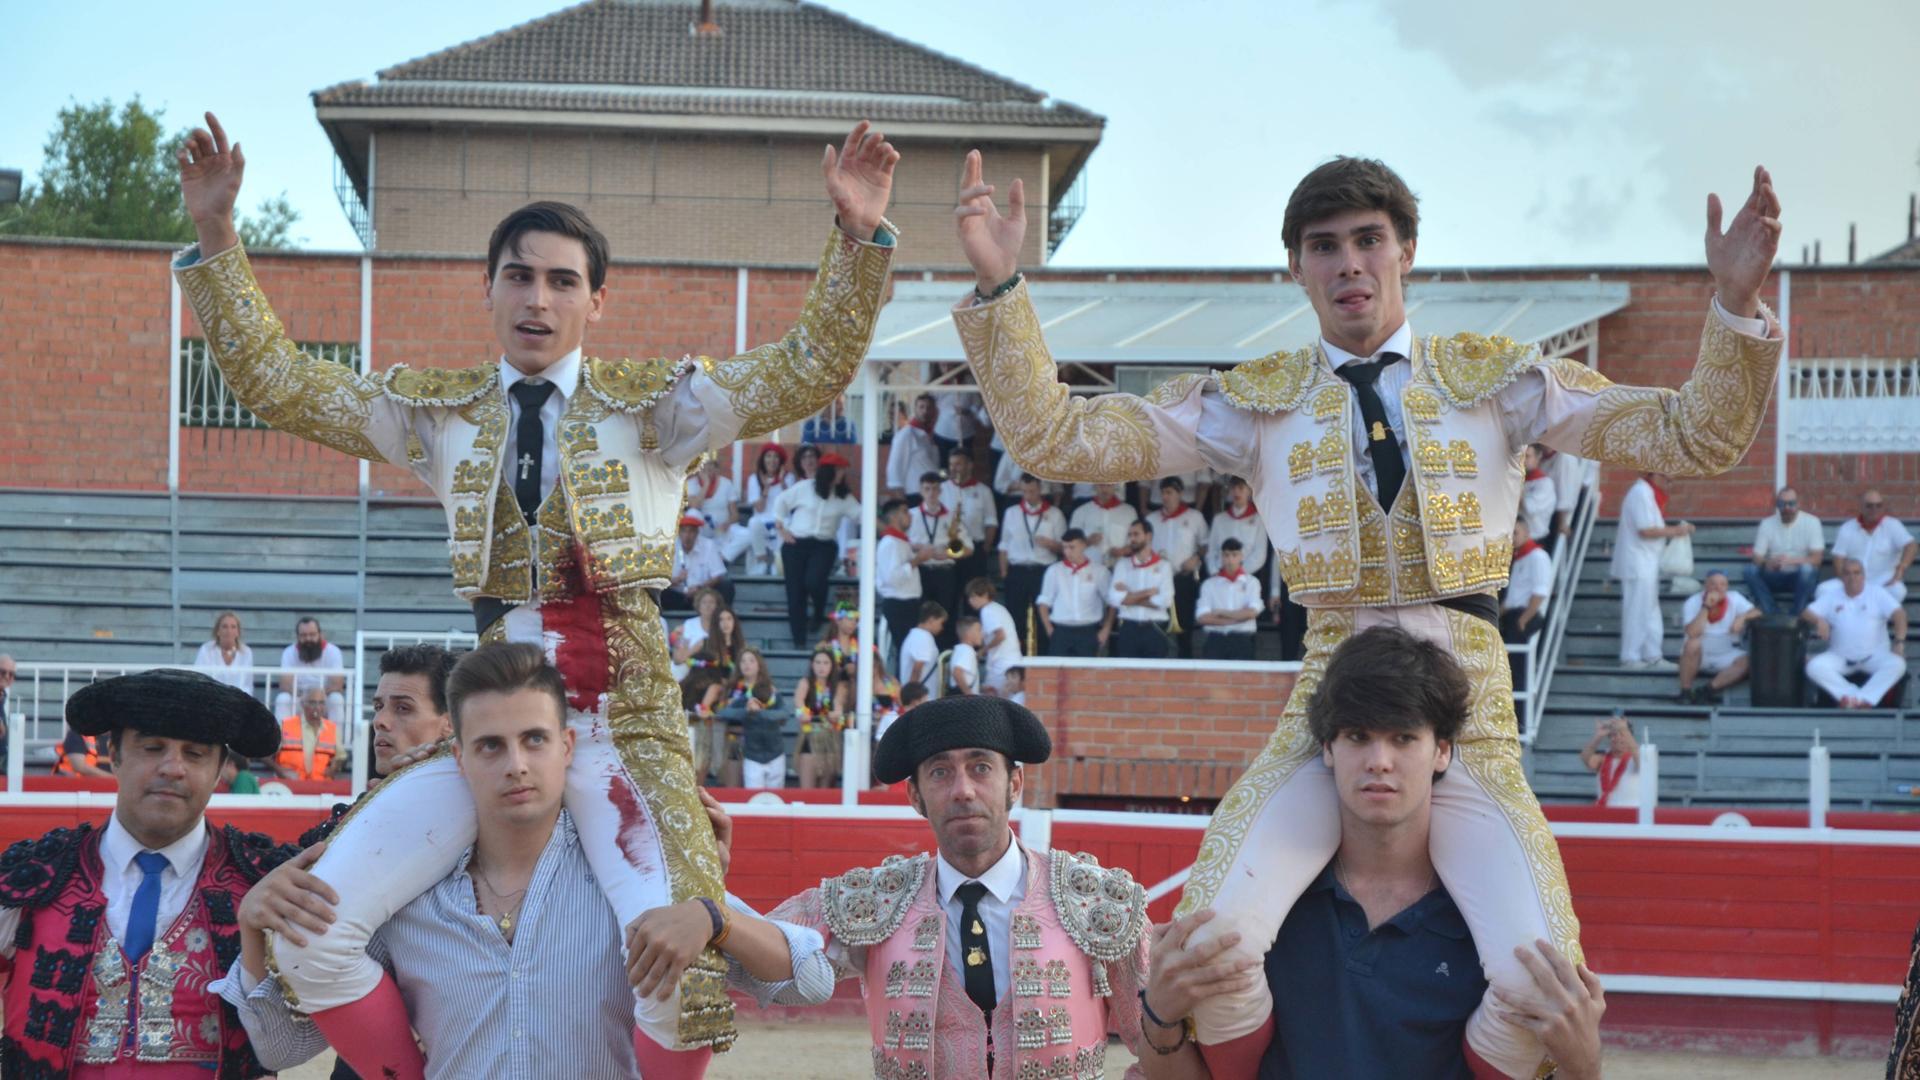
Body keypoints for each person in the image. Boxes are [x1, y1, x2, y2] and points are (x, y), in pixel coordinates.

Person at [951, 147, 1781, 1073]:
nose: (1348, 263)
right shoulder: (1257, 401)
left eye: (1368, 240)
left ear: (1406, 251)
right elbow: (1061, 438)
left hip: (1469, 720)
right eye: (1324, 246)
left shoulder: (1497, 380)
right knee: (1206, 953)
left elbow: (1694, 435)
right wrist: (1000, 291)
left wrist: (1736, 305)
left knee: (1540, 993)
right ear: (1297, 266)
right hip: (1330, 711)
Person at [175, 110, 899, 1068]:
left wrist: (857, 237)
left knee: (679, 968)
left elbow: (809, 368)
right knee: (311, 930)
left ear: (597, 301)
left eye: (563, 281)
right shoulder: (438, 415)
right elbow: (277, 382)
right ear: (487, 288)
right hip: (494, 728)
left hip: (626, 730)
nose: (538, 298)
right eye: (519, 276)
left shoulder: (662, 407)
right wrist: (218, 235)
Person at [220, 644, 829, 1079]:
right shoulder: (408, 899)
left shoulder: (624, 878)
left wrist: (715, 915)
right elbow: (280, 1048)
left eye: (534, 739)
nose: (516, 765)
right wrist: (254, 929)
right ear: (459, 759)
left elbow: (810, 977)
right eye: (491, 746)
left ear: (566, 746)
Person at [1162, 628, 1606, 1079]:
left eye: (1404, 738)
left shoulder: (1483, 917)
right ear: (1327, 749)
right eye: (1358, 736)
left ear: (1442, 752)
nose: (1379, 760)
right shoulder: (1274, 902)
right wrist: (1157, 1018)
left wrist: (1584, 1065)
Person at [766, 696, 1205, 1079]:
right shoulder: (877, 901)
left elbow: (1163, 1046)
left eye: (981, 768)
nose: (963, 790)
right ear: (915, 797)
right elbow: (767, 961)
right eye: (940, 772)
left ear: (1014, 783)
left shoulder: (1095, 900)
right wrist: (727, 916)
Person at [0, 669, 291, 1078]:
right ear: (114, 755)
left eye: (195, 754)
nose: (173, 768)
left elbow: (288, 1048)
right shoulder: (29, 879)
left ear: (219, 769)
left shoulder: (265, 883)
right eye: (153, 748)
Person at [777, 453, 862, 649]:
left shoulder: (844, 497)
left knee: (814, 581)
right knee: (795, 594)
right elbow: (781, 501)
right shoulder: (805, 487)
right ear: (828, 471)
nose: (841, 474)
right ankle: (799, 641)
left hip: (823, 545)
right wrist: (781, 527)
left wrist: (888, 528)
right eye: (838, 470)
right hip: (795, 544)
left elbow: (861, 515)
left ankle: (818, 611)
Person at [1803, 558, 1909, 709]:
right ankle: (1852, 697)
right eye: (1847, 573)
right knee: (1814, 667)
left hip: (1874, 656)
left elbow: (1899, 614)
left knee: (1897, 664)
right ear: (1842, 577)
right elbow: (1806, 613)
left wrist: (1899, 642)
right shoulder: (1832, 595)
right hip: (1840, 656)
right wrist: (1819, 620)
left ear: (1863, 576)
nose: (1852, 577)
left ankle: (1865, 698)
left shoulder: (1876, 593)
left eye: (1856, 573)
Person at [1613, 471, 1693, 670]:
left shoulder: (1647, 493)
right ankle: (1630, 656)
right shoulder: (1640, 492)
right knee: (1637, 610)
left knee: (1650, 611)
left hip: (1647, 562)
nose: (1670, 483)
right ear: (1657, 474)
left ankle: (1652, 655)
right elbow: (1646, 530)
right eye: (1668, 478)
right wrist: (1676, 531)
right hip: (1638, 563)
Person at [999, 473, 1066, 655]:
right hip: (1017, 570)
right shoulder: (1012, 513)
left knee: (1044, 618)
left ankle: (1043, 660)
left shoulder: (1055, 514)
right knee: (1015, 618)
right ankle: (1016, 660)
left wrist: (1050, 544)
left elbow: (1064, 548)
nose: (1029, 495)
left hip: (1044, 571)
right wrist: (1004, 572)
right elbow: (1004, 544)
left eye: (1033, 491)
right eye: (1025, 491)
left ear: (1040, 489)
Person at [1147, 477, 1210, 659]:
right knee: (1158, 626)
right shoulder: (1151, 519)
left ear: (1180, 494)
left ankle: (1185, 662)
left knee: (1184, 628)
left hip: (1183, 578)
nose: (1165, 497)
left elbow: (1205, 544)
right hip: (1157, 581)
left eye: (1170, 492)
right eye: (1163, 493)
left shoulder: (1195, 517)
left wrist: (1196, 558)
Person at [1678, 570, 1759, 704]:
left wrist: (1742, 617)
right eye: (1713, 584)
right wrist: (1706, 606)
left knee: (1749, 661)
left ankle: (1706, 690)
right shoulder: (1693, 601)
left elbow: (1757, 612)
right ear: (1706, 585)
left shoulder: (1734, 597)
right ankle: (1685, 692)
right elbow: (1692, 633)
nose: (1718, 588)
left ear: (1727, 587)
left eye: (1722, 584)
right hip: (1699, 655)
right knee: (1692, 644)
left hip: (1724, 651)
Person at [913, 471, 972, 648]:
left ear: (940, 491)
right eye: (927, 489)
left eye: (935, 489)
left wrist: (948, 554)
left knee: (945, 616)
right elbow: (902, 544)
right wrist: (920, 548)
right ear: (920, 491)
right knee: (921, 615)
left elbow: (968, 548)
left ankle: (943, 655)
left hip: (945, 573)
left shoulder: (951, 517)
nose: (931, 493)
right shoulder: (911, 515)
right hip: (920, 571)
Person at [1743, 486, 1823, 615]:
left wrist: (1791, 561)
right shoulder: (1767, 524)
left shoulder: (1812, 522)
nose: (1787, 508)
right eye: (1782, 504)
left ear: (1798, 503)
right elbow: (1757, 557)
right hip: (1774, 576)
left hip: (1799, 578)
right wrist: (1768, 563)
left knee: (1807, 570)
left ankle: (1797, 615)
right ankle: (1772, 612)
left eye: (1791, 503)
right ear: (1777, 505)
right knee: (1749, 570)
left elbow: (1817, 559)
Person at [1037, 528, 1114, 658]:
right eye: (1065, 547)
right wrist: (1049, 629)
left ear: (1083, 545)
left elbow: (1112, 601)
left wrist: (1106, 629)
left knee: (1086, 670)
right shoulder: (1054, 571)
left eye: (1072, 547)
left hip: (1088, 630)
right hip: (1061, 630)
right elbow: (1044, 603)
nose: (1067, 552)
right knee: (1059, 670)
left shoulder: (1099, 571)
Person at [1830, 490, 1916, 602]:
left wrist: (1901, 569)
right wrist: (1845, 580)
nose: (1874, 509)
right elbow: (1838, 558)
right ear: (1861, 507)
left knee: (1898, 591)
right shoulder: (1847, 528)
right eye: (1869, 506)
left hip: (1883, 581)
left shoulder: (1893, 525)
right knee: (1824, 590)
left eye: (1878, 506)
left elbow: (1911, 545)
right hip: (1852, 580)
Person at [876, 496, 935, 660]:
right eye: (905, 512)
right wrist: (917, 560)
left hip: (910, 603)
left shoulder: (901, 541)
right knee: (906, 653)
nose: (910, 516)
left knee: (910, 652)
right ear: (894, 516)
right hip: (899, 604)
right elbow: (892, 578)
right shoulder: (890, 543)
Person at [720, 647, 786, 790]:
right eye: (743, 661)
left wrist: (760, 713)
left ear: (759, 664)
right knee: (735, 786)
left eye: (751, 661)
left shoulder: (770, 690)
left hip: (770, 748)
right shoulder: (733, 689)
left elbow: (783, 714)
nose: (747, 664)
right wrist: (746, 710)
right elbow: (722, 712)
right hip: (737, 743)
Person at [1110, 519, 1176, 660]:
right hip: (1128, 628)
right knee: (1127, 672)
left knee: (1155, 672)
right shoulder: (1122, 564)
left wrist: (1130, 596)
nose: (1132, 539)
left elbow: (1165, 601)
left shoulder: (1164, 566)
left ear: (1149, 536)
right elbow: (1114, 599)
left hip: (1155, 628)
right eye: (1130, 535)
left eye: (1136, 534)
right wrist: (1146, 593)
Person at [942, 446, 999, 588]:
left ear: (969, 465)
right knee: (950, 592)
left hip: (975, 548)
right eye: (951, 464)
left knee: (974, 592)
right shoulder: (942, 489)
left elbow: (991, 522)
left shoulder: (983, 491)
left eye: (958, 464)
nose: (953, 468)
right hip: (948, 547)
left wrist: (985, 548)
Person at [1197, 538, 1262, 660]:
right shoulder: (1209, 584)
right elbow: (1202, 617)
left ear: (1241, 556)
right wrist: (1238, 619)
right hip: (1215, 640)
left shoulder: (1252, 582)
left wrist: (1220, 612)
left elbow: (1252, 612)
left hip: (1242, 640)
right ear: (1221, 557)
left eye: (1234, 555)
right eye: (1226, 555)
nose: (1230, 560)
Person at [275, 615, 346, 724]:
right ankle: (282, 735)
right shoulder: (289, 652)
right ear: (297, 636)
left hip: (323, 698)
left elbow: (337, 685)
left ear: (320, 634)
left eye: (312, 634)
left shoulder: (333, 651)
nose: (308, 638)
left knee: (336, 699)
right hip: (299, 698)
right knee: (283, 699)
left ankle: (337, 735)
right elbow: (285, 684)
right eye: (303, 635)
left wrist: (316, 696)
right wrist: (304, 696)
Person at [794, 649, 848, 789]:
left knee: (826, 789)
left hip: (829, 739)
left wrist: (837, 715)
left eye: (825, 663)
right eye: (818, 662)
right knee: (807, 789)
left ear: (832, 666)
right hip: (809, 737)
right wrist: (802, 714)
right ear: (812, 665)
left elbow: (839, 709)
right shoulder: (805, 683)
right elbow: (799, 704)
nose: (821, 667)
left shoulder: (838, 687)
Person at [965, 579, 1023, 694]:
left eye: (973, 597)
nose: (970, 601)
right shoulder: (999, 608)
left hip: (1001, 664)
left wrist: (982, 651)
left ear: (985, 595)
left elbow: (1000, 635)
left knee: (992, 697)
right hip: (1012, 659)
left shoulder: (987, 611)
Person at [664, 513, 732, 611]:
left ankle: (721, 615)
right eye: (684, 531)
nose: (687, 536)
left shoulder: (708, 545)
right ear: (678, 533)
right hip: (676, 595)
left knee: (726, 585)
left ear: (697, 533)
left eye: (691, 531)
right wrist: (675, 580)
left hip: (701, 595)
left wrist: (700, 588)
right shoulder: (668, 547)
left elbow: (718, 575)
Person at [743, 442, 793, 575]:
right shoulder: (754, 479)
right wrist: (765, 489)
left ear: (780, 461)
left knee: (787, 523)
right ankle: (762, 561)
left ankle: (778, 562)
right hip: (762, 522)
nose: (772, 460)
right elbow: (759, 509)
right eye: (768, 456)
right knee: (753, 522)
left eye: (776, 457)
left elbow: (790, 506)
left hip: (781, 521)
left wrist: (782, 483)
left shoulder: (789, 477)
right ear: (763, 459)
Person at [686, 455, 747, 563]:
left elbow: (735, 515)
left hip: (721, 530)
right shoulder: (691, 484)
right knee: (692, 514)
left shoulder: (726, 483)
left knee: (747, 534)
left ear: (716, 467)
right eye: (703, 464)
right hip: (701, 532)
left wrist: (727, 523)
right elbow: (694, 505)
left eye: (711, 464)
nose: (707, 467)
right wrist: (706, 484)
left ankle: (721, 558)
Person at [1205, 476, 1268, 581]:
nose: (1236, 492)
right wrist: (1215, 572)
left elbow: (1259, 554)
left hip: (1248, 577)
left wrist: (1239, 573)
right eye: (1233, 488)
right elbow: (1212, 551)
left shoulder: (1258, 520)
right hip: (1220, 576)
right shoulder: (1219, 519)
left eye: (1241, 488)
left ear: (1249, 491)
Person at [277, 686, 343, 781]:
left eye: (321, 703)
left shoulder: (332, 729)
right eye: (312, 702)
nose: (317, 707)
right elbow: (265, 755)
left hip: (321, 784)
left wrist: (334, 767)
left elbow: (341, 757)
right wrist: (279, 770)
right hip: (291, 783)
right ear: (303, 704)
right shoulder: (285, 726)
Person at [886, 393, 943, 501]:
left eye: (929, 408)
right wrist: (902, 501)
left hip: (933, 494)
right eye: (921, 407)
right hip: (915, 494)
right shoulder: (906, 434)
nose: (925, 411)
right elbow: (894, 468)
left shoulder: (931, 436)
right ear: (915, 409)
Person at [1072, 481, 1141, 569]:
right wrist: (1087, 542)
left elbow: (1138, 541)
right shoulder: (1081, 511)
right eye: (1101, 485)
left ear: (1115, 486)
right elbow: (1070, 544)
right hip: (1089, 568)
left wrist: (1122, 551)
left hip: (1120, 567)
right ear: (1094, 486)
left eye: (1109, 485)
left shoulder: (1129, 511)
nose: (1104, 489)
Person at [1580, 715, 1640, 809]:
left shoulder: (1636, 758)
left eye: (1622, 734)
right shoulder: (1602, 759)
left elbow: (1641, 761)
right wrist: (1598, 736)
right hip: (1604, 813)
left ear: (1629, 737)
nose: (1618, 738)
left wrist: (1624, 729)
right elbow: (1585, 758)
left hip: (1630, 813)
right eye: (1614, 735)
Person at [899, 601, 949, 701]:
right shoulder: (923, 637)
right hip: (920, 699)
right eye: (941, 623)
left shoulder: (916, 635)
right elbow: (917, 668)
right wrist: (913, 697)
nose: (942, 628)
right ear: (931, 620)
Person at [197, 609, 255, 692]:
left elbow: (247, 685)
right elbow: (199, 679)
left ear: (238, 632)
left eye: (233, 627)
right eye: (224, 626)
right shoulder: (206, 650)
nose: (229, 631)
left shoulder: (246, 652)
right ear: (218, 631)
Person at [1519, 444, 1557, 544]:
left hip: (1533, 540)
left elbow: (1529, 507)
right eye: (1520, 456)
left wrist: (1516, 487)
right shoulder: (1521, 479)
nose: (1522, 460)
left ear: (1538, 457)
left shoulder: (1545, 484)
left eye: (1527, 456)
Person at [950, 616, 983, 694]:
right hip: (964, 699)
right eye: (979, 630)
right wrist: (969, 694)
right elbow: (957, 672)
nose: (982, 634)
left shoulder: (962, 649)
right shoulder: (967, 650)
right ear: (969, 633)